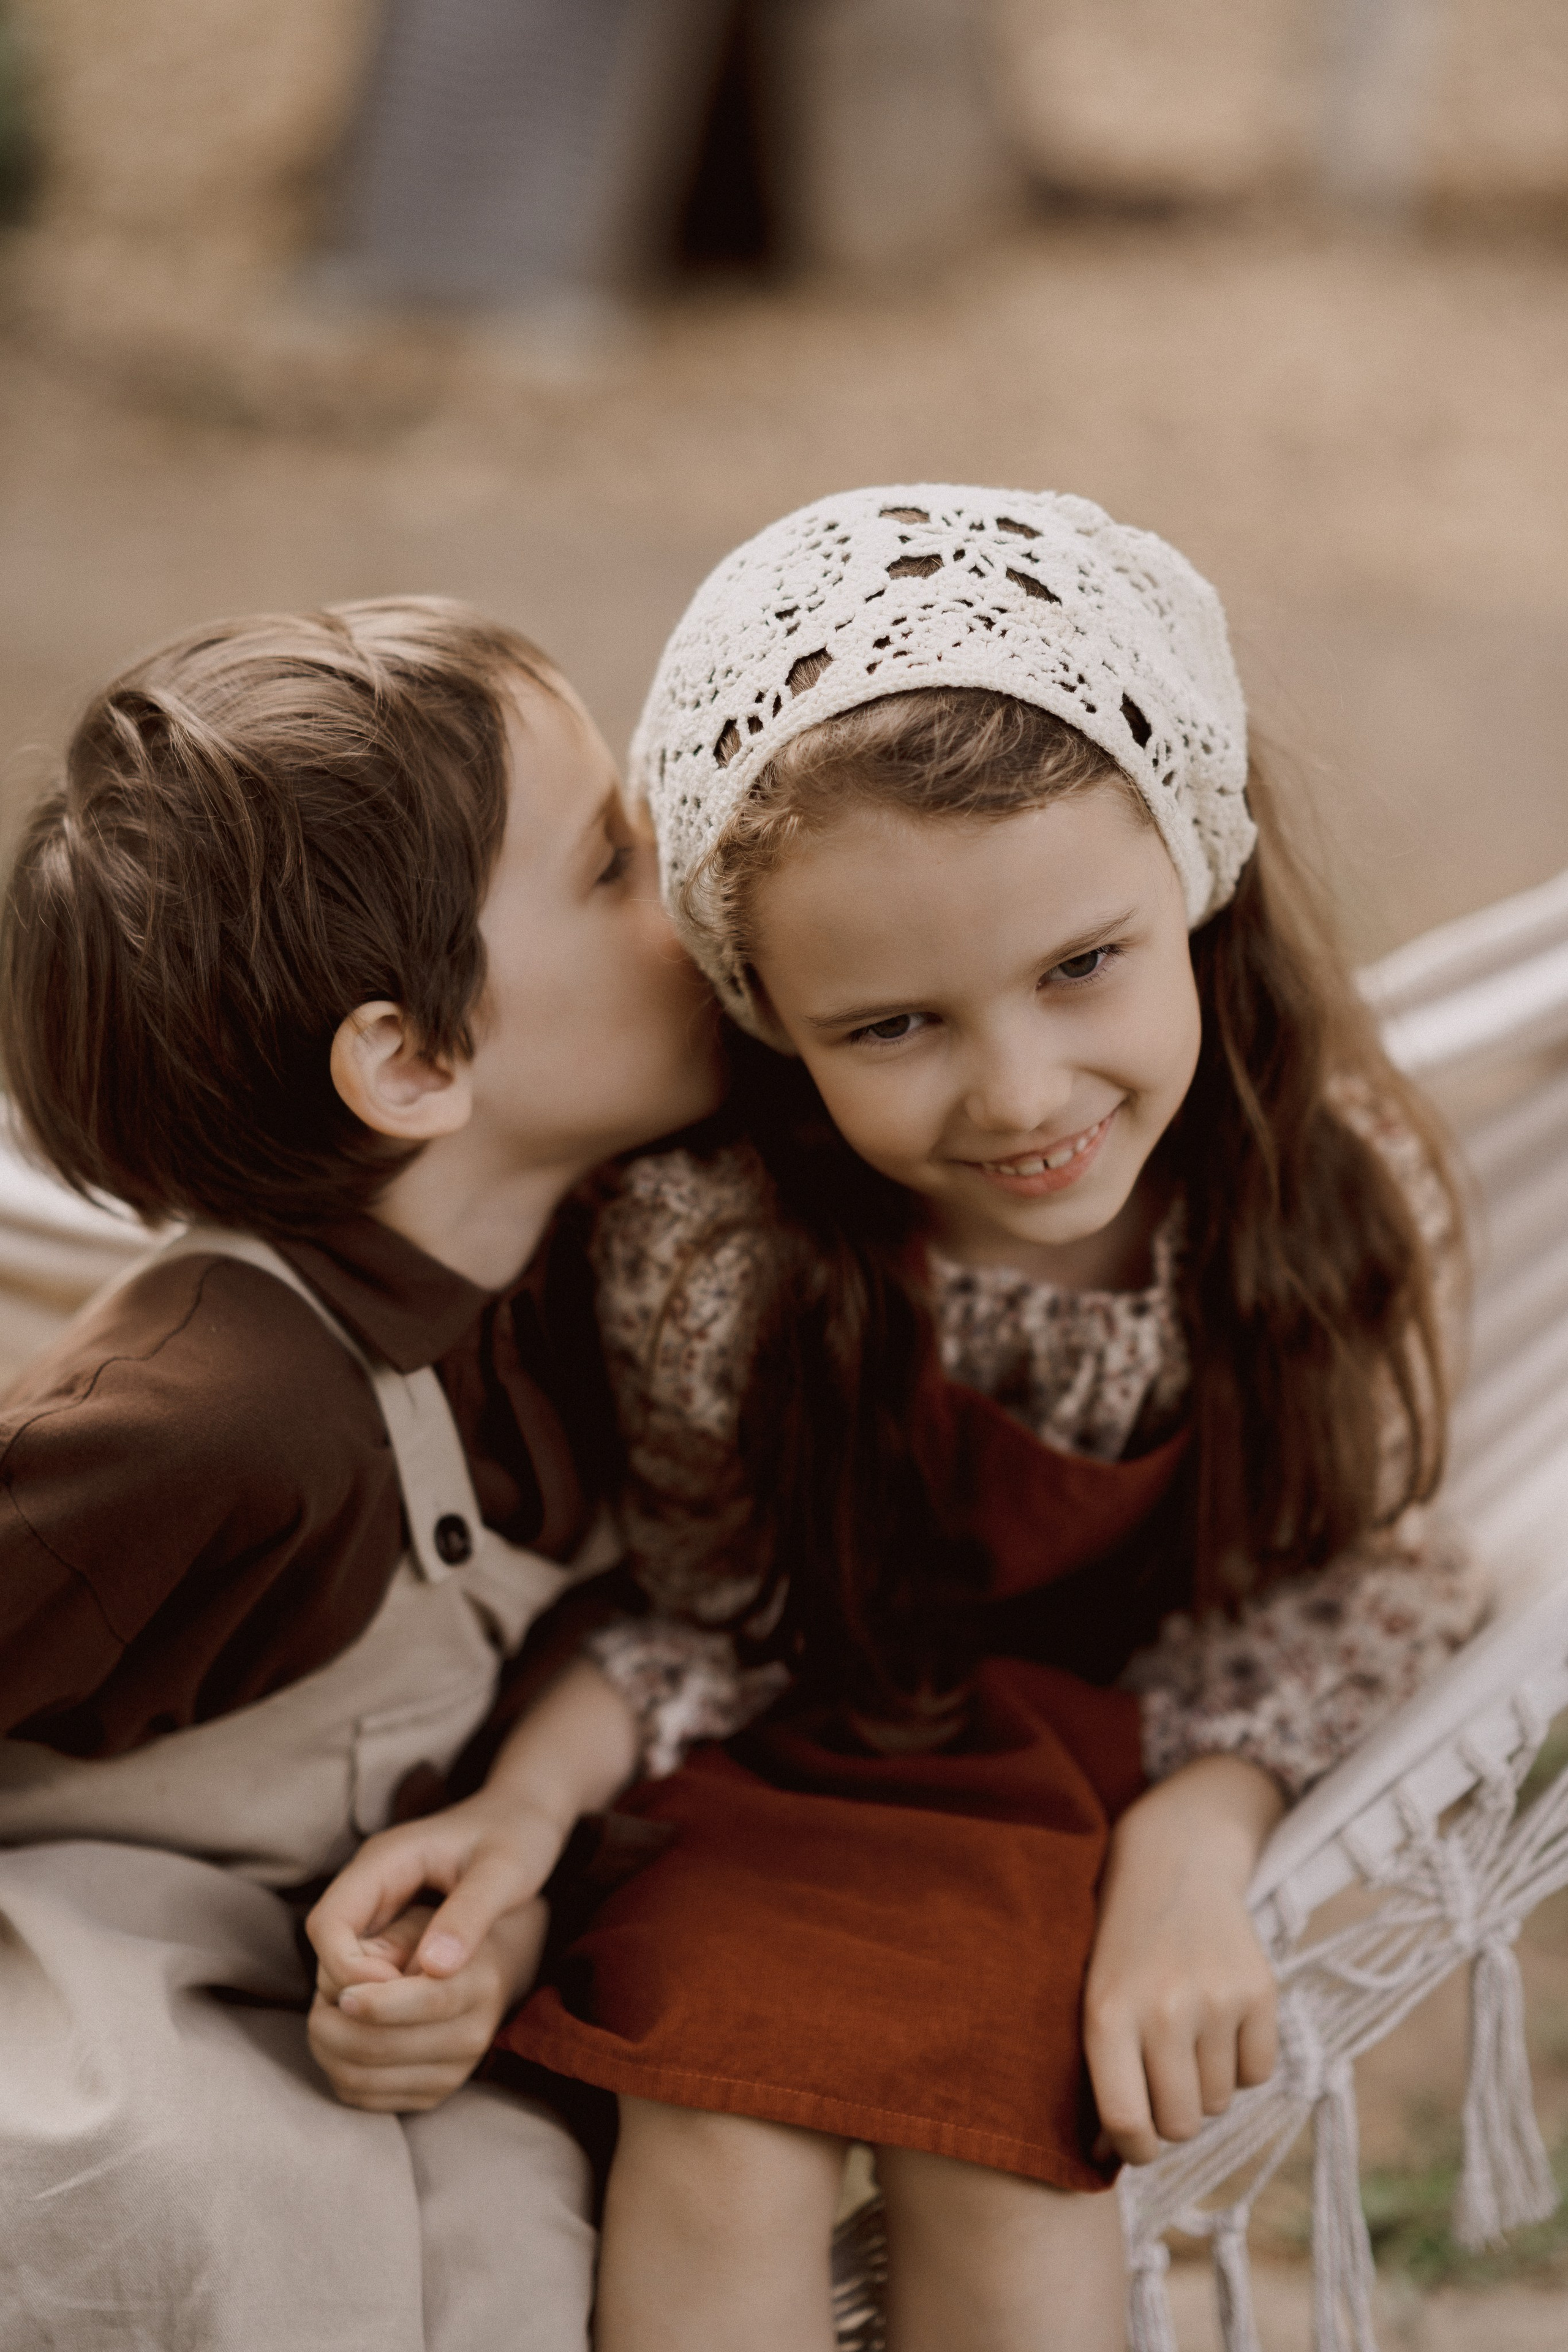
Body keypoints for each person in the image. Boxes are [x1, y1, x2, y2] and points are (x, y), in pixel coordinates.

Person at [307, 494, 1482, 2351]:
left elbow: (1356, 1580)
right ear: (768, 1014)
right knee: (716, 2145)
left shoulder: (1322, 1210)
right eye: (891, 1027)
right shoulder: (721, 1260)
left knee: (1015, 2181)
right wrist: (527, 1814)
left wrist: (1197, 1835)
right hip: (795, 1778)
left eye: (1084, 963)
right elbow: (707, 1625)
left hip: (1097, 1798)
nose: (1022, 1095)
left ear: (1191, 874)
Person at [0, 597, 722, 2352]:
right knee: (195, 2212)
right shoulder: (212, 1413)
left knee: (518, 2241)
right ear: (415, 1060)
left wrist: (486, 1926)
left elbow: (609, 1620)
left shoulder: (598, 1278)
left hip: (325, 1971)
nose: (691, 885)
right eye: (617, 864)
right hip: (83, 1965)